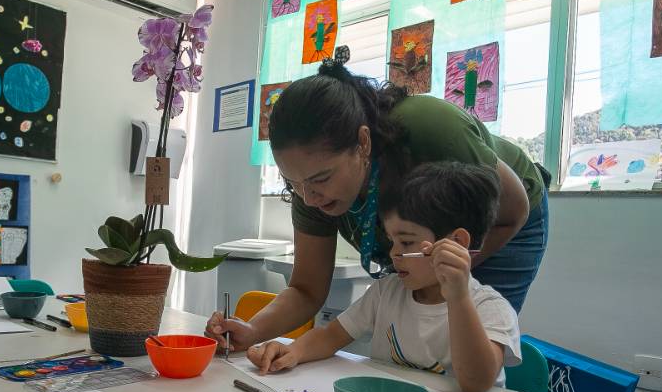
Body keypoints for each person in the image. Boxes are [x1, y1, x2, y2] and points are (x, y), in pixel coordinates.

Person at [207, 47, 548, 352]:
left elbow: (514, 209)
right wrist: (253, 330)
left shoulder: (429, 129)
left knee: (466, 348)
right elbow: (307, 289)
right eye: (292, 183)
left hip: (504, 222)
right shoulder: (309, 184)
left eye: (320, 180)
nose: (309, 198)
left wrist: (448, 277)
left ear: (363, 143)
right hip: (435, 246)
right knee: (413, 347)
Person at [246, 162, 521, 392]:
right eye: (392, 241)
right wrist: (294, 351)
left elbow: (475, 385)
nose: (394, 254)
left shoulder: (490, 308)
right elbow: (330, 336)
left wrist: (458, 297)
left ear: (456, 243)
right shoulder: (386, 291)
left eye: (407, 242)